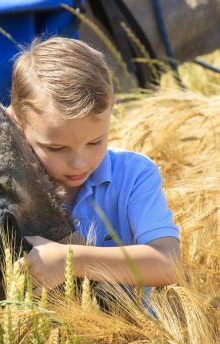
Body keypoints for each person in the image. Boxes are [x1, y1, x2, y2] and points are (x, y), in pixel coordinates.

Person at [9, 37, 180, 290]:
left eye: (95, 142)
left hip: (132, 326)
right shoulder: (7, 187)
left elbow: (169, 262)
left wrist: (73, 260)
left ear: (112, 110)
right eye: (56, 148)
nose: (79, 162)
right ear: (16, 122)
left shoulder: (134, 175)